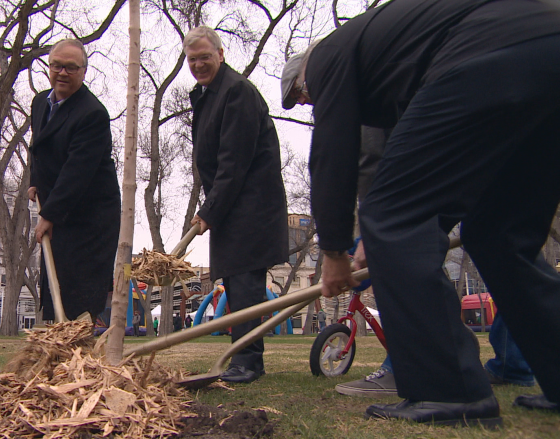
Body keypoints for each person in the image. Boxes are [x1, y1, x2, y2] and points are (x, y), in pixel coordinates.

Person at [289, 0, 560, 426]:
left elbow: (333, 153)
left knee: (394, 216)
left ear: (306, 75)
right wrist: (373, 241)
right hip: (546, 48)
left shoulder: (329, 54)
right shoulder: (397, 60)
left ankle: (448, 391)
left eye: (303, 97)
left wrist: (337, 250)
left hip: (488, 53)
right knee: (499, 235)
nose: (310, 104)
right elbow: (417, 165)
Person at [185, 26, 288, 384]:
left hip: (251, 206)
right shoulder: (207, 95)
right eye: (192, 59)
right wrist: (213, 208)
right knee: (234, 280)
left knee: (245, 284)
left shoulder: (237, 92)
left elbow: (234, 162)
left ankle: (247, 362)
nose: (198, 64)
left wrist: (209, 210)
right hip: (231, 206)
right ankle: (241, 356)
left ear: (221, 54)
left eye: (205, 57)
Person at [27, 39, 120, 323]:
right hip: (60, 205)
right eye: (56, 65)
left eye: (71, 67)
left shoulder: (92, 113)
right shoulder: (40, 102)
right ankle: (59, 352)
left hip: (90, 216)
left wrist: (49, 215)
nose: (62, 73)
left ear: (83, 71)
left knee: (78, 289)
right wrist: (35, 182)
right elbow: (39, 149)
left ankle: (79, 352)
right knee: (57, 281)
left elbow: (77, 172)